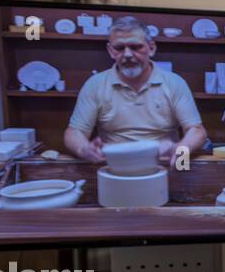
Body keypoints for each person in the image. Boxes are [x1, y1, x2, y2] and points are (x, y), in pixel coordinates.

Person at [64, 15, 207, 168]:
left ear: (151, 48)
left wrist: (181, 150)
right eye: (119, 48)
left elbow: (197, 131)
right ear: (110, 51)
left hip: (163, 163)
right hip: (112, 164)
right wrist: (83, 149)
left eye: (136, 47)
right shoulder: (95, 84)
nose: (127, 54)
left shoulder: (174, 83)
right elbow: (74, 132)